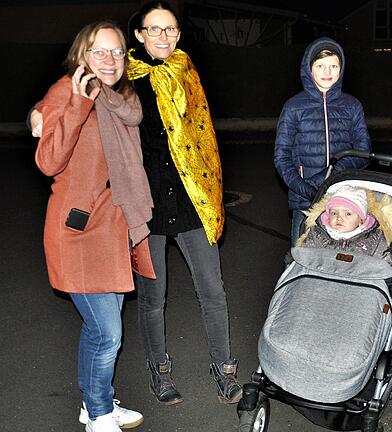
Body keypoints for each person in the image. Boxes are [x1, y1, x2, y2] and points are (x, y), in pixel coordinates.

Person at [34, 21, 150, 432]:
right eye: (99, 51)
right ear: (82, 55)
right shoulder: (66, 92)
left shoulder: (121, 100)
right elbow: (47, 160)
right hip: (79, 230)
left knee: (100, 330)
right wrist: (78, 105)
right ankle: (99, 413)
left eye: (117, 52)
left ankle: (94, 401)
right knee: (107, 334)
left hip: (112, 229)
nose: (109, 60)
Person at [127, 1, 240, 405]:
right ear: (139, 34)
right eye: (155, 29)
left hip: (191, 199)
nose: (164, 36)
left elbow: (202, 135)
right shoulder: (122, 78)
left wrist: (210, 192)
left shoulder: (185, 70)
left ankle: (223, 366)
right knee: (153, 298)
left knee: (213, 290)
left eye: (171, 29)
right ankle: (160, 369)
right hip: (146, 205)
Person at [274, 36, 371, 246]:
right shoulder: (293, 107)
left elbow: (363, 150)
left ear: (341, 68)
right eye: (321, 66)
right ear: (309, 68)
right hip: (305, 202)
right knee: (301, 257)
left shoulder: (352, 105)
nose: (327, 72)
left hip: (344, 199)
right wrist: (306, 189)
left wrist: (333, 174)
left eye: (333, 66)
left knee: (340, 260)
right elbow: (282, 158)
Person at [296, 185, 392, 265]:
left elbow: (383, 263)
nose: (339, 218)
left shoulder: (373, 238)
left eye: (348, 214)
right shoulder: (317, 234)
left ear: (361, 220)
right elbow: (303, 256)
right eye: (334, 213)